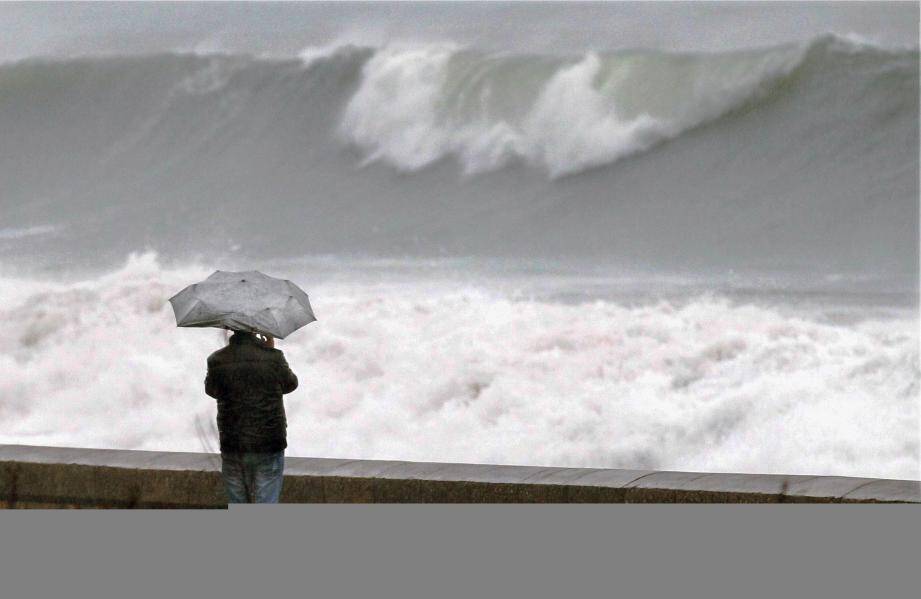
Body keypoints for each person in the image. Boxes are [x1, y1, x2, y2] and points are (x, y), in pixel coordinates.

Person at [205, 330, 299, 503]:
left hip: (233, 444)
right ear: (255, 329)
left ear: (230, 327)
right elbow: (291, 384)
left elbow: (211, 390)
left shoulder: (216, 360)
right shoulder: (274, 358)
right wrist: (270, 350)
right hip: (268, 443)